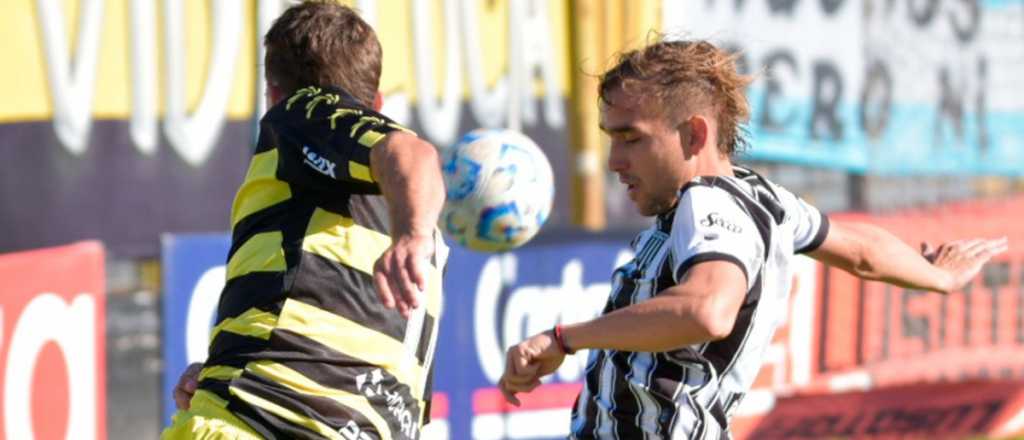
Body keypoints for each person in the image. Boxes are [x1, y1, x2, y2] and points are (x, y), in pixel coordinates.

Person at [498, 39, 1008, 439]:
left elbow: (707, 310)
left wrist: (566, 338)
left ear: (694, 135)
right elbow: (863, 252)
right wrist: (938, 276)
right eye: (612, 138)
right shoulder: (763, 197)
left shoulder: (709, 203)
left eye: (631, 138)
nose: (615, 161)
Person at [163, 2, 447, 439]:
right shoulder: (425, 225)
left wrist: (410, 236)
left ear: (273, 96)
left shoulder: (301, 112)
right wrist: (229, 365)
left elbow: (412, 152)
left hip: (257, 425)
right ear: (378, 102)